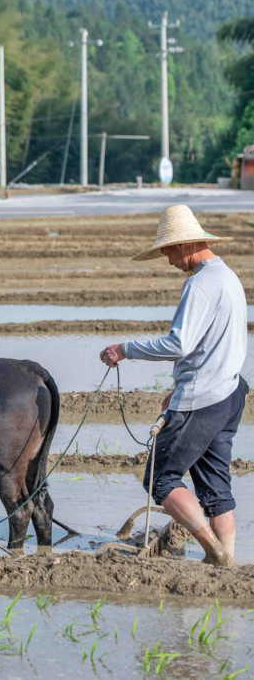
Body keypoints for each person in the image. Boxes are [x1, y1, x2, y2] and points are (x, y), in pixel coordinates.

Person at [100, 203, 248, 567]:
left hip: (204, 398)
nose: (167, 260)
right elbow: (213, 344)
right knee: (216, 488)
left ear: (184, 244)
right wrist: (181, 385)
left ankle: (213, 549)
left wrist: (126, 349)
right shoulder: (228, 276)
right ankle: (228, 559)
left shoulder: (200, 284)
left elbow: (179, 343)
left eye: (167, 250)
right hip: (229, 391)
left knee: (160, 478)